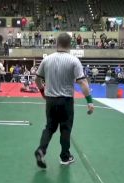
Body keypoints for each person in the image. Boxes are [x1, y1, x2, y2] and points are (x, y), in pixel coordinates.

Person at [34, 33, 94, 169]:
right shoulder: (74, 61)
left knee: (49, 128)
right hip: (66, 101)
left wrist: (43, 91)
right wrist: (89, 102)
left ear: (56, 43)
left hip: (50, 101)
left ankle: (41, 150)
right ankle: (65, 157)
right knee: (65, 129)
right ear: (70, 45)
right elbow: (83, 82)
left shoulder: (47, 60)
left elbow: (37, 80)